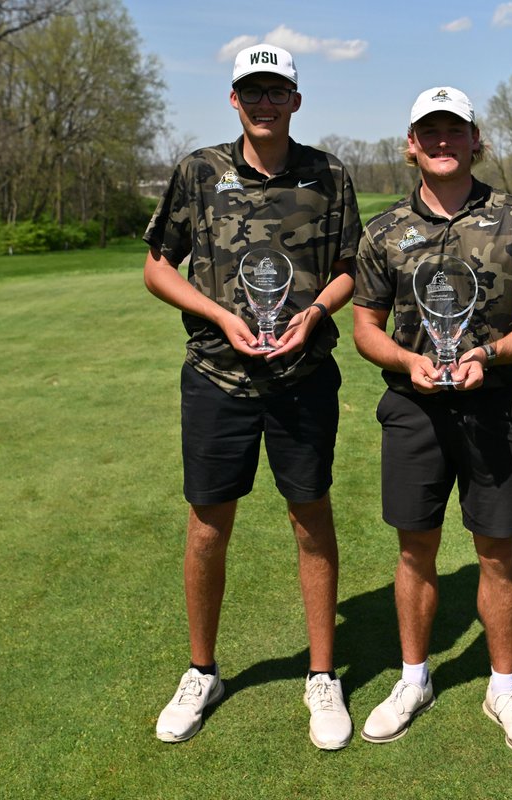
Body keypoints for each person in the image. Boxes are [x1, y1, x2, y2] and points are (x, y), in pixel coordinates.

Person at [142, 43, 361, 751]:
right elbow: (156, 267)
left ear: (295, 100)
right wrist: (220, 315)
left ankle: (322, 675)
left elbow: (350, 267)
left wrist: (317, 312)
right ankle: (202, 671)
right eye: (252, 91)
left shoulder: (328, 174)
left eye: (278, 91)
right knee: (209, 526)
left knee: (310, 516)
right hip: (216, 375)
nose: (265, 102)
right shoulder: (198, 171)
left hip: (302, 379)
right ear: (234, 99)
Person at [351, 86, 512, 757]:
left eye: (455, 131)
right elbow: (365, 327)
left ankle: (503, 686)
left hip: (492, 404)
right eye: (429, 132)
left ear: (477, 140)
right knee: (415, 549)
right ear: (411, 143)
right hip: (413, 407)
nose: (442, 142)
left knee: (496, 551)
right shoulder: (383, 230)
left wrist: (490, 353)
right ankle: (414, 679)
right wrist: (406, 363)